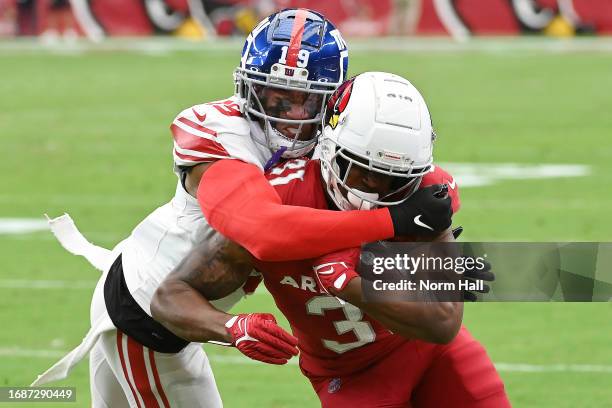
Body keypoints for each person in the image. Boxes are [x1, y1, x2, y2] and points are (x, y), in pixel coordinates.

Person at [32, 9, 453, 408]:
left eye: (304, 102)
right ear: (247, 87)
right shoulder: (219, 135)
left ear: (331, 105)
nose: (288, 116)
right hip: (149, 314)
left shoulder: (331, 141)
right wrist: (393, 219)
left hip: (173, 304)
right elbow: (264, 232)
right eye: (273, 98)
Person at [152, 72, 509, 407]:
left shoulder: (423, 197)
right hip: (349, 379)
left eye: (394, 180)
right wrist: (232, 327)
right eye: (365, 172)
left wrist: (350, 283)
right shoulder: (281, 198)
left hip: (433, 356)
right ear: (329, 150)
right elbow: (170, 297)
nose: (377, 190)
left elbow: (443, 322)